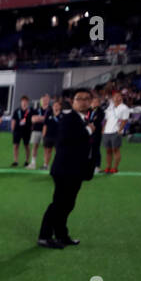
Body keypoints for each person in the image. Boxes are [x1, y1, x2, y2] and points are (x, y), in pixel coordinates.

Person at [38, 88, 96, 248]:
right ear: (73, 102)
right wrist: (89, 130)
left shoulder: (81, 119)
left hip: (75, 170)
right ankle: (44, 236)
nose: (83, 101)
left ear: (91, 102)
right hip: (65, 170)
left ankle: (61, 235)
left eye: (86, 99)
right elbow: (68, 139)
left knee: (68, 204)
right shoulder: (69, 117)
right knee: (59, 204)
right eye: (79, 98)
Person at [102, 90, 130, 173]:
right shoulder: (110, 107)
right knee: (108, 150)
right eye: (115, 96)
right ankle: (108, 167)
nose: (117, 98)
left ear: (121, 98)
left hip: (115, 131)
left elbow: (125, 120)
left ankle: (115, 167)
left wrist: (120, 130)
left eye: (118, 96)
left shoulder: (124, 107)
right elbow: (107, 119)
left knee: (115, 150)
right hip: (107, 131)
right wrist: (103, 128)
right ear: (113, 98)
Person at [11, 95, 33, 168]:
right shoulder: (17, 111)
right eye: (23, 101)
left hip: (27, 131)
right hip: (17, 130)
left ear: (27, 102)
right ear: (21, 102)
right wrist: (13, 129)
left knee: (26, 146)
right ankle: (16, 161)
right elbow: (13, 120)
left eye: (25, 101)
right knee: (15, 146)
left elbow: (33, 121)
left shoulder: (30, 111)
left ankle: (27, 161)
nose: (24, 103)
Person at [27, 94, 48, 169]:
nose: (44, 101)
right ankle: (33, 163)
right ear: (41, 101)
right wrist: (43, 118)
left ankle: (45, 164)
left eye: (46, 100)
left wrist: (39, 118)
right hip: (36, 130)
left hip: (46, 131)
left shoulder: (50, 110)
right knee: (35, 147)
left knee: (46, 148)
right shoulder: (35, 110)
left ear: (48, 101)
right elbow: (33, 119)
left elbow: (48, 119)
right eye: (43, 100)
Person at [42, 93, 61, 169]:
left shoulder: (62, 115)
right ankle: (46, 165)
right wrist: (44, 135)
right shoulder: (49, 113)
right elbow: (45, 125)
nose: (56, 106)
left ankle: (58, 165)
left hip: (58, 136)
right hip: (48, 135)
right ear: (52, 106)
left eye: (57, 105)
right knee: (47, 151)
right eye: (54, 105)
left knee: (58, 152)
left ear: (60, 106)